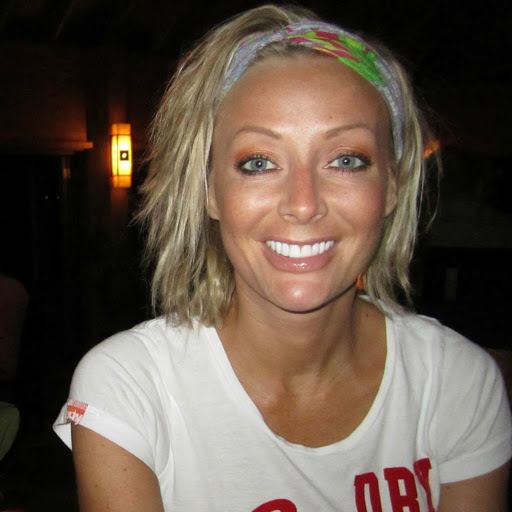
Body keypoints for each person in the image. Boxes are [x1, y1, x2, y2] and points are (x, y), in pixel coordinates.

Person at [53, 5, 511, 511]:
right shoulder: (132, 389)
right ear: (209, 192)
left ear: (392, 187)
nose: (303, 203)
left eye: (346, 160)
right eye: (259, 162)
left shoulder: (457, 382)